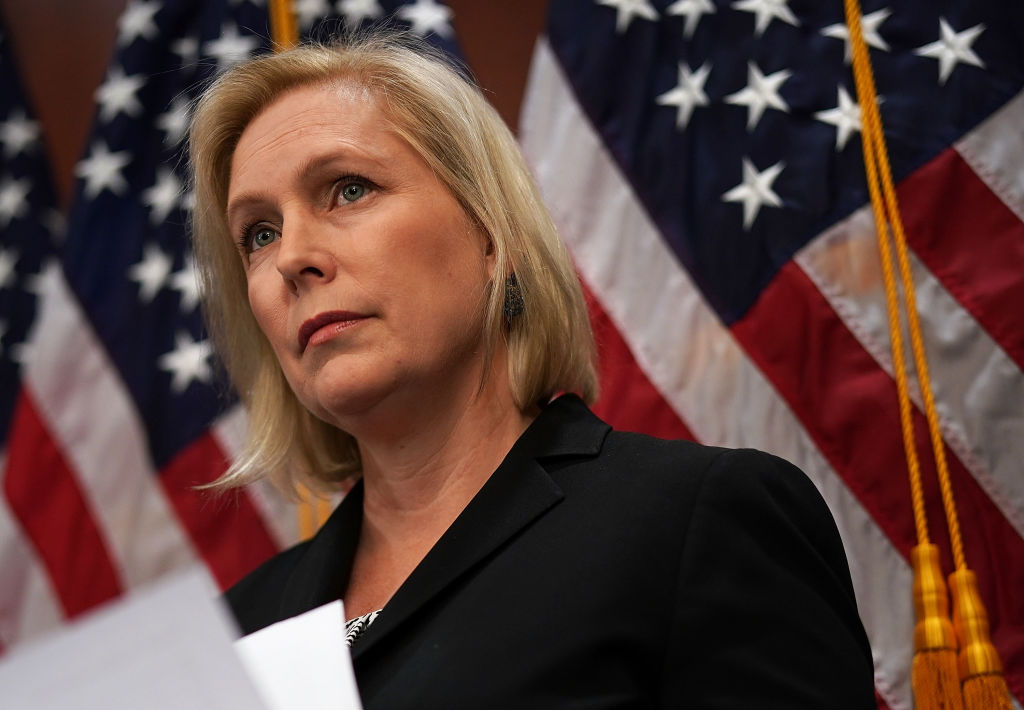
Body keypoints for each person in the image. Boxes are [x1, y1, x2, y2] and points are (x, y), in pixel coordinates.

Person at [189, 32, 877, 709]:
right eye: (260, 232)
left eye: (348, 190)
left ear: (494, 238)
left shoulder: (697, 523)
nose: (291, 258)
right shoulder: (229, 638)